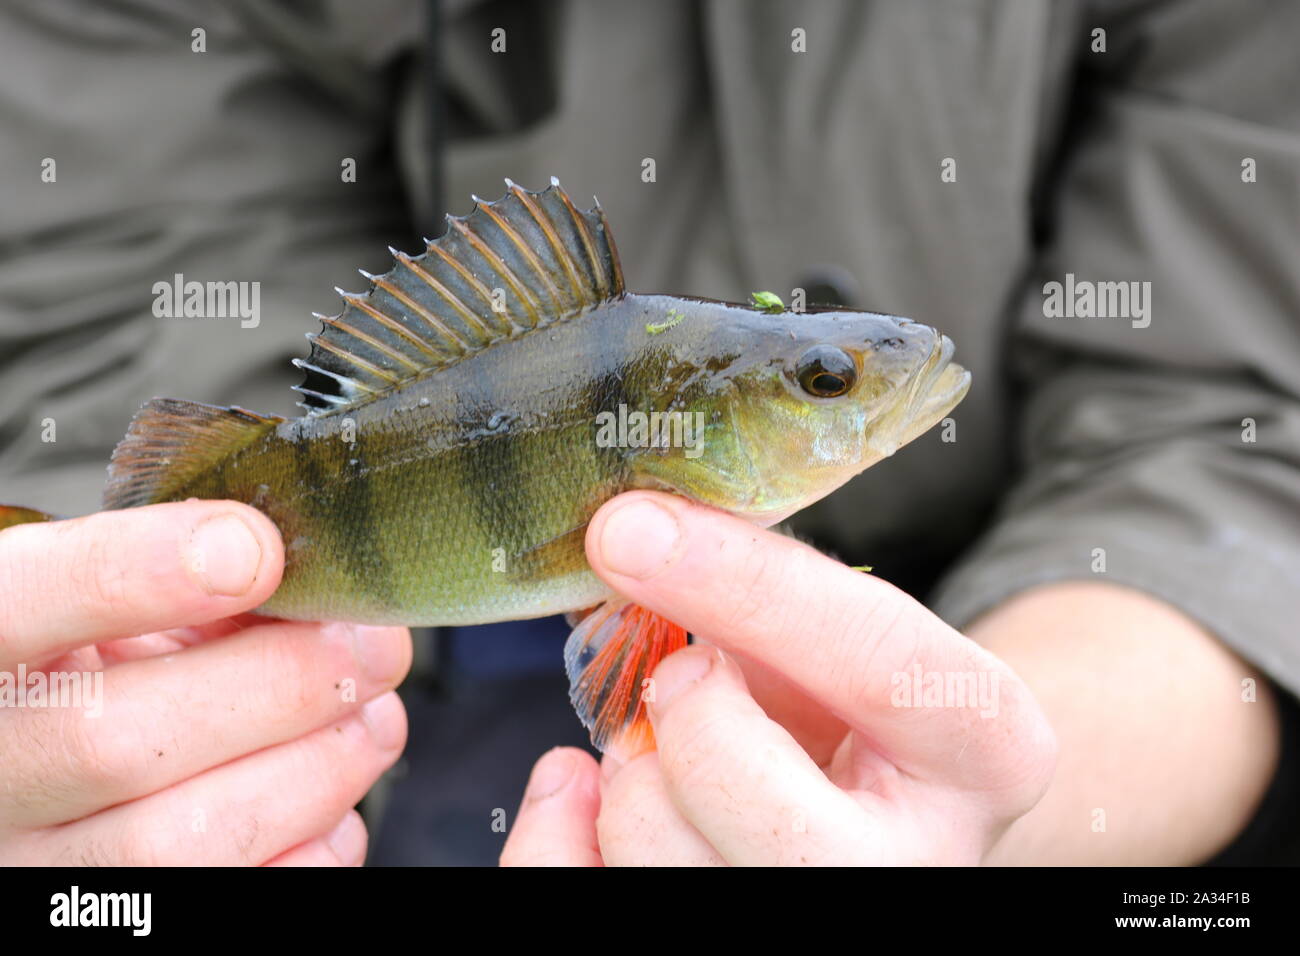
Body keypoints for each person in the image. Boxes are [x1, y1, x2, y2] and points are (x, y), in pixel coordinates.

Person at [1, 1, 1297, 865]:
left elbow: (1227, 434)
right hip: (402, 699)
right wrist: (92, 740)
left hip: (1045, 616)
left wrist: (1003, 809)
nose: (873, 384)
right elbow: (116, 300)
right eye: (831, 378)